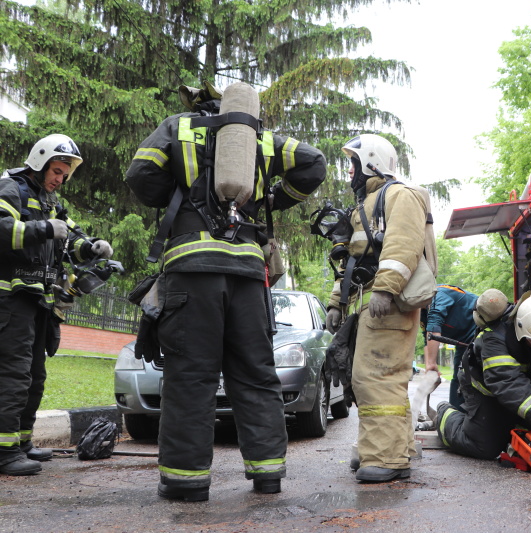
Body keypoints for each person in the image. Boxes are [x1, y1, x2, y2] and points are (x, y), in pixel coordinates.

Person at [125, 82, 326, 501]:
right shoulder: (261, 139)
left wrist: (180, 197)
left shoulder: (178, 126)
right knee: (255, 375)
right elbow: (313, 164)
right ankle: (268, 475)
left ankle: (186, 482)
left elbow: (140, 175)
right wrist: (273, 198)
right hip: (248, 274)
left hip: (192, 271)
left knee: (191, 377)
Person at [1, 134, 114, 476]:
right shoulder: (12, 189)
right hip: (11, 298)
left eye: (65, 174)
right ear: (40, 161)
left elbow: (71, 238)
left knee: (34, 376)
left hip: (38, 301)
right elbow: (2, 230)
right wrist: (43, 229)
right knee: (13, 374)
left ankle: (21, 443)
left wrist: (92, 247)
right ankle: (4, 452)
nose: (60, 179)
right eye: (56, 170)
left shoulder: (51, 202)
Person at [325, 133, 427, 483]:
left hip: (387, 305)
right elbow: (356, 262)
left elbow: (403, 245)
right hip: (370, 307)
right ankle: (382, 449)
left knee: (378, 378)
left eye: (353, 163)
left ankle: (387, 458)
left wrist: (385, 289)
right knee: (366, 380)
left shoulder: (400, 195)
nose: (350, 171)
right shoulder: (367, 205)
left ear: (372, 162)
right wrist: (336, 303)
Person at [437, 290, 531, 460]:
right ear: (521, 329)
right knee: (486, 447)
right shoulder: (494, 340)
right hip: (487, 391)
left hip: (525, 387)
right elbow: (510, 386)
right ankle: (444, 414)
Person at [421, 284, 478, 412]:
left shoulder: (439, 294)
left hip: (480, 330)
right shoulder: (420, 310)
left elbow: (434, 325)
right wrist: (429, 367)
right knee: (458, 378)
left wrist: (431, 363)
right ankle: (456, 418)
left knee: (471, 376)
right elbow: (427, 336)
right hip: (463, 340)